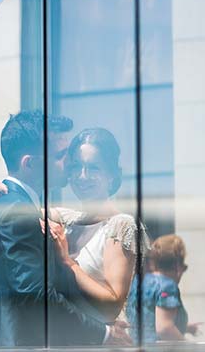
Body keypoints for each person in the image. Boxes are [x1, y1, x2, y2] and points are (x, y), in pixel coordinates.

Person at [0, 111, 130, 346]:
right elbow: (35, 298)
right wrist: (103, 335)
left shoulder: (29, 210)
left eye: (93, 168)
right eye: (64, 157)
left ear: (112, 175)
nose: (75, 170)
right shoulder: (39, 214)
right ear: (29, 163)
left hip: (82, 346)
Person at [45, 127, 148, 324]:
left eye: (93, 168)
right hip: (68, 342)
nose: (82, 176)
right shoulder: (69, 219)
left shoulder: (122, 226)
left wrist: (67, 262)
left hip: (104, 346)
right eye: (76, 167)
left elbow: (112, 305)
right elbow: (22, 208)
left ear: (111, 175)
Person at [125, 235, 200, 343]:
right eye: (184, 267)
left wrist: (185, 327)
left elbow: (148, 320)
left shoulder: (138, 281)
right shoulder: (168, 287)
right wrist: (188, 346)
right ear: (177, 265)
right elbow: (164, 329)